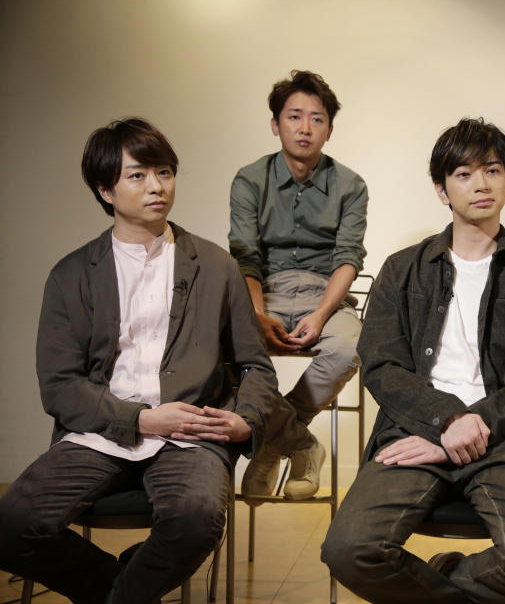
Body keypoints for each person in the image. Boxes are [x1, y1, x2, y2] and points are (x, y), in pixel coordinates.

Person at [0, 117, 306, 603]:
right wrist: (140, 418)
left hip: (190, 433)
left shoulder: (215, 265)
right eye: (137, 176)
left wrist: (244, 422)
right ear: (106, 190)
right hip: (98, 433)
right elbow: (59, 385)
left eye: (164, 172)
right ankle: (122, 590)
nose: (156, 187)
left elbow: (256, 366)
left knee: (196, 519)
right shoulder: (72, 273)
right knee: (12, 524)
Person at [322, 118, 505, 603]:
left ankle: (443, 582)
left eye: (493, 171)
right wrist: (445, 422)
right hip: (416, 429)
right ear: (441, 190)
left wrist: (468, 427)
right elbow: (381, 365)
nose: (481, 184)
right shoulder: (401, 270)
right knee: (349, 550)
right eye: (463, 174)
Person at [229, 70, 369, 499]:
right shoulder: (250, 180)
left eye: (317, 118)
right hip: (262, 292)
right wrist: (256, 314)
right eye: (294, 117)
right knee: (220, 351)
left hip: (323, 293)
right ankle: (302, 445)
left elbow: (349, 257)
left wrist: (321, 312)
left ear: (329, 128)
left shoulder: (351, 185)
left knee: (351, 346)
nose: (305, 128)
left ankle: (272, 445)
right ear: (276, 124)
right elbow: (245, 256)